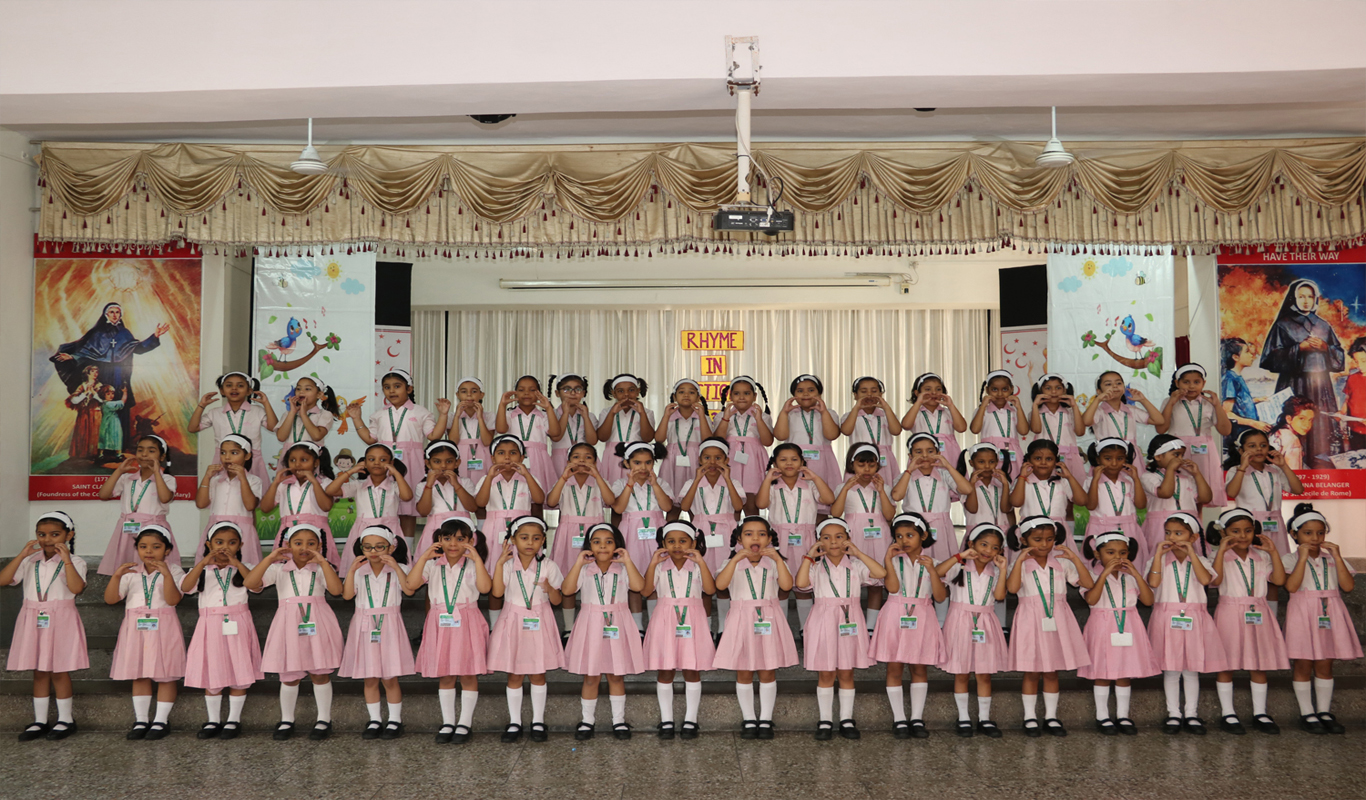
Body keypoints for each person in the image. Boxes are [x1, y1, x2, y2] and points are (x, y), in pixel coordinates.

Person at [243, 524, 344, 741]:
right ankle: (286, 720)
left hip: (318, 622)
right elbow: (250, 583)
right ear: (288, 545)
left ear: (319, 546)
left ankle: (324, 719)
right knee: (289, 676)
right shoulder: (279, 569)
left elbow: (337, 590)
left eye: (311, 543)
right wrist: (269, 559)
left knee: (320, 672)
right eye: (298, 543)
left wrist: (323, 563)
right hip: (288, 624)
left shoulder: (321, 568)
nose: (304, 547)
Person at [795, 518, 887, 740]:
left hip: (849, 619)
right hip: (823, 619)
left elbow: (880, 573)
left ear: (848, 539)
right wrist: (809, 556)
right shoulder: (816, 567)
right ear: (819, 542)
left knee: (846, 671)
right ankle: (825, 720)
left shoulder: (856, 565)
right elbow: (800, 583)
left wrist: (858, 553)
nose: (833, 542)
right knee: (826, 672)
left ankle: (846, 719)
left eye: (839, 537)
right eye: (826, 538)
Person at [1005, 517, 1094, 737]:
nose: (1044, 544)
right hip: (1030, 619)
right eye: (1037, 540)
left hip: (1057, 618)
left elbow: (1088, 583)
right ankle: (1029, 717)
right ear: (1023, 540)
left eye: (1049, 539)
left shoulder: (1062, 562)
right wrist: (1019, 560)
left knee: (1052, 671)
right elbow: (1012, 588)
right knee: (1032, 671)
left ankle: (1051, 717)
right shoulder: (1019, 564)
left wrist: (1074, 558)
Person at [2, 512, 88, 741]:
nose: (47, 539)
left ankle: (66, 720)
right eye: (41, 534)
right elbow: (3, 580)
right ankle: (40, 721)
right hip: (33, 618)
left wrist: (67, 560)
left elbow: (76, 588)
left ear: (69, 535)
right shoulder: (30, 560)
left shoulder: (76, 562)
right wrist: (22, 555)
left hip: (61, 618)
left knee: (59, 670)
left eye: (54, 534)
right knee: (39, 671)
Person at [406, 518, 492, 744]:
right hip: (440, 623)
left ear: (471, 541)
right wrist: (423, 557)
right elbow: (411, 585)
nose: (453, 544)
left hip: (467, 621)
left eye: (460, 539)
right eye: (447, 538)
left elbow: (485, 588)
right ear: (439, 540)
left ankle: (465, 723)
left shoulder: (473, 565)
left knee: (468, 673)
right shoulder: (432, 565)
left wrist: (477, 559)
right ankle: (448, 722)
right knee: (445, 674)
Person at [1206, 508, 1288, 735]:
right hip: (1230, 611)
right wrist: (1221, 551)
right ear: (1223, 532)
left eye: (1248, 530)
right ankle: (1228, 713)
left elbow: (1279, 580)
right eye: (1235, 531)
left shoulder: (1261, 556)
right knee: (1227, 664)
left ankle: (1260, 713)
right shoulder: (1216, 556)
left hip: (1258, 611)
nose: (1242, 536)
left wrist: (1274, 552)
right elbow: (1215, 581)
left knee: (1259, 664)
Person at [713, 517, 797, 740]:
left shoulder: (775, 562)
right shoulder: (731, 563)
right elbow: (720, 585)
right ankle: (749, 718)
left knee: (768, 670)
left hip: (769, 617)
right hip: (741, 618)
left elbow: (787, 586)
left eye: (761, 534)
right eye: (748, 534)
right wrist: (734, 559)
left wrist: (778, 559)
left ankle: (766, 719)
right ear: (739, 539)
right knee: (744, 670)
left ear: (769, 539)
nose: (755, 538)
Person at [1147, 512, 1230, 736]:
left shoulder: (1201, 560)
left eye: (1178, 533)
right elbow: (1153, 582)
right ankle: (1173, 714)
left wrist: (1192, 553)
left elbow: (1205, 580)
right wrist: (1158, 555)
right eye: (1168, 533)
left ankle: (1191, 714)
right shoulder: (1158, 560)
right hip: (1167, 617)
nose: (1172, 537)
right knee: (1172, 670)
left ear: (1192, 537)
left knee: (1192, 670)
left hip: (1194, 617)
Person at [562, 524, 646, 741]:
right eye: (596, 542)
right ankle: (587, 721)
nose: (602, 546)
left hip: (617, 623)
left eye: (609, 541)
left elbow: (639, 587)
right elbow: (567, 590)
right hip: (590, 623)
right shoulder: (584, 569)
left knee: (616, 675)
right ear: (589, 546)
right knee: (591, 676)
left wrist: (628, 561)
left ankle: (619, 720)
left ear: (617, 545)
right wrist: (578, 562)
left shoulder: (623, 568)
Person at [1282, 504, 1361, 735]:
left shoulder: (1332, 559)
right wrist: (1302, 558)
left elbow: (1348, 586)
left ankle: (1324, 712)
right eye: (1308, 533)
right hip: (1303, 611)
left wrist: (1337, 556)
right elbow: (1291, 586)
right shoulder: (1289, 559)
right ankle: (1307, 713)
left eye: (1320, 532)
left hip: (1330, 611)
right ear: (1294, 534)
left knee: (1326, 663)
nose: (1315, 538)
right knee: (1303, 663)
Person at [180, 523, 263, 740]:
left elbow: (256, 585)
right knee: (212, 671)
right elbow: (186, 588)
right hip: (210, 625)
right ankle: (213, 720)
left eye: (232, 543)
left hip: (238, 623)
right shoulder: (202, 570)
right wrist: (202, 563)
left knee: (239, 670)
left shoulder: (246, 568)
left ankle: (234, 720)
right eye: (219, 542)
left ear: (240, 546)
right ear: (209, 545)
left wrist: (237, 564)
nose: (225, 547)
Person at [487, 517, 564, 744]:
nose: (530, 542)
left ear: (543, 540)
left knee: (539, 673)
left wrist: (550, 589)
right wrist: (499, 564)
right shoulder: (507, 565)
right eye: (524, 537)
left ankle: (538, 721)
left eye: (536, 538)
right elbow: (497, 593)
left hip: (540, 621)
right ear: (512, 540)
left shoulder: (549, 565)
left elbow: (558, 600)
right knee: (515, 673)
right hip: (513, 620)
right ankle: (515, 722)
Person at [105, 526, 185, 741]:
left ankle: (161, 720)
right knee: (139, 672)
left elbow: (173, 600)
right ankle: (141, 720)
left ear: (167, 550)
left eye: (156, 547)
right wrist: (117, 576)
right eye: (143, 547)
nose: (149, 551)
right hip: (135, 627)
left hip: (164, 626)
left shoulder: (175, 571)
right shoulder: (131, 572)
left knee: (166, 674)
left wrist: (166, 574)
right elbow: (111, 599)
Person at [51, 301, 169, 446]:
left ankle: (120, 444)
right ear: (106, 314)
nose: (114, 315)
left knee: (120, 403)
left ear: (120, 315)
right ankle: (100, 446)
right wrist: (72, 357)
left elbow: (138, 348)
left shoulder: (125, 333)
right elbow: (86, 351)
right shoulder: (97, 333)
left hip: (120, 373)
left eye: (117, 312)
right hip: (102, 373)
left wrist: (155, 336)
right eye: (111, 312)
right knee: (102, 403)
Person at [870, 513, 946, 738]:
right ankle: (899, 719)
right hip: (895, 614)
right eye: (899, 536)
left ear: (923, 535)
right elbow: (892, 589)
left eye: (910, 535)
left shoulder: (934, 563)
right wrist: (887, 560)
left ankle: (917, 718)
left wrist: (932, 571)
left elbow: (940, 597)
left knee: (919, 667)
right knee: (894, 667)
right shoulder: (894, 561)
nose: (904, 540)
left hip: (923, 615)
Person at [349, 368, 447, 538]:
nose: (392, 391)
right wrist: (357, 418)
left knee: (408, 510)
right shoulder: (379, 414)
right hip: (385, 464)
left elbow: (433, 436)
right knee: (386, 505)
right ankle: (383, 541)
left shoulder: (420, 412)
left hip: (411, 464)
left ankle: (406, 548)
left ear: (409, 389)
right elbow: (370, 439)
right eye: (387, 387)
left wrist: (443, 415)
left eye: (397, 386)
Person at [641, 521, 716, 740]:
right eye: (671, 541)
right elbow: (646, 590)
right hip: (665, 619)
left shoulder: (697, 565)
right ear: (663, 543)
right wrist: (652, 563)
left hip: (692, 619)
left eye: (683, 541)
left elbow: (710, 589)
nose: (677, 546)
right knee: (666, 670)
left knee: (692, 669)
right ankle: (667, 720)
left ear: (693, 542)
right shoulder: (660, 566)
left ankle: (691, 719)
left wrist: (701, 562)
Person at [1079, 531, 1157, 735]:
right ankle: (1102, 716)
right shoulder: (1090, 576)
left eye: (1122, 553)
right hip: (1102, 626)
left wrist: (1137, 574)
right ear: (1098, 554)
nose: (1117, 557)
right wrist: (1104, 574)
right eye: (1110, 552)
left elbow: (1148, 600)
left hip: (1129, 624)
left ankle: (1123, 715)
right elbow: (1091, 599)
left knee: (1125, 672)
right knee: (1102, 673)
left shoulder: (1130, 577)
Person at [1259, 278, 1344, 467]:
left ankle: (1319, 462)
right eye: (1301, 296)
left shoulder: (1323, 325)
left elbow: (1339, 357)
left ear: (1315, 299)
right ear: (1294, 298)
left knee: (1320, 425)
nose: (1306, 300)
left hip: (1320, 385)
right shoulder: (1283, 324)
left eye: (1310, 296)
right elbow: (1269, 358)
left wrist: (1325, 348)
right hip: (1294, 382)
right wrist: (1299, 348)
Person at [340, 526, 415, 740]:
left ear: (391, 547)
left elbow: (409, 589)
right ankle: (374, 720)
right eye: (368, 547)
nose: (373, 551)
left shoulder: (400, 568)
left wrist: (396, 567)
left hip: (389, 624)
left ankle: (395, 720)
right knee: (370, 677)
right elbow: (347, 596)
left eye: (380, 547)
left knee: (390, 677)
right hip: (364, 625)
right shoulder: (359, 570)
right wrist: (351, 571)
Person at [936, 524, 1009, 738]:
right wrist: (959, 556)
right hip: (960, 621)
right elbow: (937, 572)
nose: (988, 551)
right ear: (971, 544)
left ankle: (984, 719)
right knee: (962, 672)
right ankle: (963, 718)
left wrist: (1004, 569)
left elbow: (1000, 596)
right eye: (983, 544)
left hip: (985, 622)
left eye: (994, 548)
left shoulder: (995, 571)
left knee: (984, 674)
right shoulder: (958, 567)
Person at [755, 442, 832, 631]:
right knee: (780, 585)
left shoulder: (810, 484)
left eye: (794, 459)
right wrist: (767, 479)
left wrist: (815, 476)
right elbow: (761, 504)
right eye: (783, 460)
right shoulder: (772, 485)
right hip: (779, 540)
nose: (789, 463)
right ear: (774, 463)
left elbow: (829, 499)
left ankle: (806, 630)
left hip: (805, 540)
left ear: (802, 462)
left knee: (804, 586)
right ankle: (781, 629)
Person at [546, 443, 615, 633]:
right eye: (576, 457)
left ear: (596, 462)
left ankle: (596, 622)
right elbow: (551, 502)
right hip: (568, 534)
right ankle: (568, 627)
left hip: (595, 535)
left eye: (588, 457)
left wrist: (597, 476)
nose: (582, 460)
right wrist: (563, 477)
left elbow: (611, 501)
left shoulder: (600, 482)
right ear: (568, 461)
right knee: (569, 577)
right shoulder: (564, 482)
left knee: (594, 577)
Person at [609, 442, 673, 629]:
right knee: (633, 574)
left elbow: (667, 506)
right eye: (637, 463)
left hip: (656, 529)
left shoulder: (660, 483)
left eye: (648, 462)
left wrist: (655, 484)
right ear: (627, 463)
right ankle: (637, 626)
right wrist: (630, 484)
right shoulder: (620, 484)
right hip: (631, 531)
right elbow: (618, 508)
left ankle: (654, 622)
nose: (643, 467)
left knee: (654, 574)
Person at [96, 435, 179, 576]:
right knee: (128, 568)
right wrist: (119, 471)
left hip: (153, 530)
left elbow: (165, 498)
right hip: (128, 529)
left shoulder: (167, 479)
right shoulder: (127, 478)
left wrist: (156, 473)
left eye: (151, 451)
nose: (144, 454)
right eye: (140, 450)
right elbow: (103, 495)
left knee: (153, 568)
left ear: (162, 456)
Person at [326, 443, 413, 572]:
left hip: (390, 530)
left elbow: (407, 496)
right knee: (361, 566)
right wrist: (350, 472)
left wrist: (395, 473)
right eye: (371, 459)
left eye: (383, 460)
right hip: (362, 530)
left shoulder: (394, 485)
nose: (377, 463)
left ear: (391, 463)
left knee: (391, 566)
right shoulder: (358, 485)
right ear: (365, 463)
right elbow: (330, 490)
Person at [890, 434, 974, 562]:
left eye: (930, 451)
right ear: (910, 456)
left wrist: (948, 466)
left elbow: (967, 489)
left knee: (942, 561)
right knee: (916, 562)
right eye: (918, 452)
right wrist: (909, 470)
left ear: (938, 453)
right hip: (914, 527)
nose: (925, 456)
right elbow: (896, 496)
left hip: (941, 526)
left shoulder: (945, 474)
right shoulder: (905, 476)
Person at [1158, 364, 1233, 506]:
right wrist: (1171, 403)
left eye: (1196, 382)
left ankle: (1198, 519)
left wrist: (1217, 405)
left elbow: (1225, 431)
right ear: (1177, 383)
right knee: (1181, 491)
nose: (1191, 386)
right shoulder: (1169, 402)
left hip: (1205, 453)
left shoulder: (1209, 403)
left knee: (1201, 491)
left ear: (1203, 383)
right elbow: (1161, 429)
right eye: (1186, 382)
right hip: (1178, 452)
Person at [190, 372, 278, 483]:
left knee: (253, 490)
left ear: (249, 391)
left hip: (250, 460)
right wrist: (201, 405)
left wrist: (266, 404)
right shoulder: (215, 413)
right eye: (229, 385)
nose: (234, 388)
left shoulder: (257, 411)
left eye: (240, 385)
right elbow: (192, 428)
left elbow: (274, 427)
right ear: (222, 390)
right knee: (223, 490)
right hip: (224, 459)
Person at [260, 442, 336, 565]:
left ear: (316, 463)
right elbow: (265, 508)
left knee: (317, 568)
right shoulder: (284, 484)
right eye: (292, 460)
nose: (297, 464)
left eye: (304, 460)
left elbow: (326, 506)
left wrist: (314, 482)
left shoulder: (324, 482)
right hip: (288, 534)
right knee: (288, 568)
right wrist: (275, 484)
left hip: (315, 533)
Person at [775, 374, 843, 510]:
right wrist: (784, 412)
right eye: (800, 391)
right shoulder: (789, 414)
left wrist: (824, 412)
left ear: (819, 393)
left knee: (821, 503)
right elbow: (780, 436)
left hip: (822, 461)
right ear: (793, 395)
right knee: (798, 502)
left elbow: (832, 435)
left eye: (811, 390)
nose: (805, 394)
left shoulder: (829, 412)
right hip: (795, 462)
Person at [1082, 371, 1166, 474]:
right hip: (1108, 457)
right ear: (1099, 391)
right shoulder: (1099, 411)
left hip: (1131, 456)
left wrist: (1143, 400)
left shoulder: (1131, 409)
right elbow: (1085, 422)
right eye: (1108, 384)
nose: (1114, 386)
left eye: (1118, 383)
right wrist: (1098, 400)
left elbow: (1159, 420)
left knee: (1134, 481)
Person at [195, 435, 263, 562]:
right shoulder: (215, 480)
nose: (227, 457)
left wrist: (242, 479)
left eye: (234, 453)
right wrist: (206, 477)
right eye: (223, 453)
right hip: (216, 530)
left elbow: (250, 506)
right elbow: (200, 503)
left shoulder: (253, 480)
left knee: (242, 564)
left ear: (247, 456)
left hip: (242, 531)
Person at [1083, 439, 1147, 569]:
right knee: (1101, 565)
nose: (1114, 463)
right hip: (1101, 528)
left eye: (1120, 459)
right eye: (1108, 458)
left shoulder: (1129, 481)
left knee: (1130, 564)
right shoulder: (1090, 481)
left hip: (1129, 528)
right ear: (1098, 459)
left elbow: (1141, 505)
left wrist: (1136, 479)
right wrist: (1095, 479)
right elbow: (1091, 505)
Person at [495, 375, 561, 499]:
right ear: (515, 393)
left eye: (532, 390)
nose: (526, 393)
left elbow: (555, 432)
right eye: (521, 390)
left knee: (537, 494)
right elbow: (501, 429)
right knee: (517, 492)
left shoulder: (543, 415)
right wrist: (502, 405)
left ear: (539, 393)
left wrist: (548, 408)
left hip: (539, 458)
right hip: (515, 456)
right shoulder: (509, 413)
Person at [715, 376, 774, 514]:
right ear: (730, 396)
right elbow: (718, 440)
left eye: (746, 393)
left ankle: (752, 524)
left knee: (751, 502)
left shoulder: (763, 416)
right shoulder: (722, 415)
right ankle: (732, 527)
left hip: (753, 459)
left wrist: (759, 419)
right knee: (730, 500)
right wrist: (726, 418)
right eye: (736, 393)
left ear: (754, 396)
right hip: (730, 458)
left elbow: (768, 442)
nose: (741, 397)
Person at [1009, 440, 1085, 541]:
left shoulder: (1062, 481)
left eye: (1049, 459)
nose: (1043, 463)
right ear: (1028, 460)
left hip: (1057, 532)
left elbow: (1082, 501)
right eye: (1038, 458)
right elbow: (1016, 503)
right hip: (1031, 531)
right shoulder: (1022, 480)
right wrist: (1022, 477)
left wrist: (1070, 477)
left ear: (1056, 461)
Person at [413, 440, 479, 553]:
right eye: (437, 461)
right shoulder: (423, 486)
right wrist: (429, 485)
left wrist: (456, 485)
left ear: (457, 463)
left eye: (449, 461)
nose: (443, 466)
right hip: (435, 531)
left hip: (462, 531)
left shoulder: (465, 482)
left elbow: (472, 507)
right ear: (428, 463)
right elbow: (423, 512)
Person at [656, 378, 712, 502]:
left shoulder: (703, 417)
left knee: (695, 500)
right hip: (672, 459)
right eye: (681, 392)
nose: (686, 395)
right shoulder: (669, 417)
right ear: (674, 397)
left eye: (691, 392)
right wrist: (666, 415)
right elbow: (659, 439)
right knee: (672, 499)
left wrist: (701, 415)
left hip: (696, 458)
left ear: (698, 398)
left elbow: (707, 440)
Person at [840, 376, 902, 484]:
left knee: (885, 487)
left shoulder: (886, 414)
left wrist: (886, 407)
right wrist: (856, 408)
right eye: (864, 391)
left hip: (884, 459)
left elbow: (896, 431)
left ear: (880, 394)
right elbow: (846, 431)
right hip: (860, 458)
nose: (869, 394)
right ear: (855, 395)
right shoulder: (850, 415)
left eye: (874, 391)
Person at [596, 374, 655, 485]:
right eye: (620, 391)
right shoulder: (606, 412)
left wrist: (642, 413)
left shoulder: (647, 412)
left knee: (637, 486)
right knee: (612, 486)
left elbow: (648, 438)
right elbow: (602, 437)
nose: (626, 394)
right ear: (614, 393)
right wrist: (612, 413)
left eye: (631, 390)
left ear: (638, 391)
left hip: (637, 455)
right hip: (613, 455)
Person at [902, 372, 968, 469]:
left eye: (938, 389)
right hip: (924, 455)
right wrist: (918, 402)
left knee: (950, 476)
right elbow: (905, 425)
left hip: (949, 454)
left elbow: (962, 428)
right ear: (917, 393)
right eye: (928, 389)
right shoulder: (916, 413)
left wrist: (951, 405)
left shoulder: (948, 412)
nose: (933, 393)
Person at [1027, 373, 1086, 477]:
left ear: (1065, 390)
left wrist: (1074, 406)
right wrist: (1035, 405)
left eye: (1058, 388)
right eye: (1048, 388)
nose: (1053, 392)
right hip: (1045, 458)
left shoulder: (1071, 412)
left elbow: (1080, 432)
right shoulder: (1036, 412)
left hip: (1069, 457)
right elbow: (1036, 430)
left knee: (1074, 485)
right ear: (1040, 390)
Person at [1220, 338, 1269, 460]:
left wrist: (1256, 400)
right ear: (1235, 357)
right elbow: (1226, 413)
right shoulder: (1230, 379)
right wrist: (1254, 423)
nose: (1252, 355)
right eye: (1247, 352)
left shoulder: (1237, 377)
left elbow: (1239, 402)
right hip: (1239, 436)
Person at [970, 370, 1030, 466]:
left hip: (1012, 452)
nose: (999, 394)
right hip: (989, 453)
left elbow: (1024, 431)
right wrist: (983, 406)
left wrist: (1019, 407)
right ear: (987, 390)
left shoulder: (1014, 410)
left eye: (1004, 389)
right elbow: (975, 429)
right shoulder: (982, 410)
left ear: (1011, 389)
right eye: (994, 389)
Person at [549, 373, 598, 477]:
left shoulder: (589, 416)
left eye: (578, 389)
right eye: (566, 389)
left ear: (583, 393)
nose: (572, 393)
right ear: (557, 393)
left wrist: (585, 417)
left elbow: (592, 441)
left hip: (584, 460)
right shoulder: (552, 415)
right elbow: (556, 437)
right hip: (559, 460)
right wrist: (565, 413)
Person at [449, 376, 495, 486]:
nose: (469, 395)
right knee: (462, 485)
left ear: (481, 394)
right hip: (460, 454)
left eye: (474, 391)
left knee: (483, 485)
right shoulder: (451, 416)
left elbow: (487, 441)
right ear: (457, 395)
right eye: (464, 391)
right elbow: (453, 441)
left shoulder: (489, 416)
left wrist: (480, 418)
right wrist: (457, 416)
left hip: (483, 454)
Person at [275, 376, 339, 448]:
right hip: (289, 454)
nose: (301, 391)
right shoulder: (288, 414)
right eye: (298, 389)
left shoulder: (324, 414)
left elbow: (317, 436)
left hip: (311, 454)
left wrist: (303, 415)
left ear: (319, 394)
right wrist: (292, 412)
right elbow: (281, 437)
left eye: (307, 389)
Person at [65, 365, 101, 460]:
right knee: (82, 433)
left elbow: (102, 400)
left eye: (97, 372)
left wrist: (93, 393)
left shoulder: (100, 386)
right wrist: (85, 393)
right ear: (87, 373)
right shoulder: (82, 386)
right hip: (84, 413)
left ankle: (94, 455)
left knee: (95, 433)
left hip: (95, 413)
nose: (95, 374)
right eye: (92, 371)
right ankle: (81, 455)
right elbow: (73, 400)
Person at [1337, 337, 1366, 451]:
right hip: (1355, 430)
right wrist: (1341, 413)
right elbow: (1348, 399)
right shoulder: (1352, 378)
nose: (1359, 366)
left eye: (1364, 361)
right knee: (1355, 456)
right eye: (1356, 361)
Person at [98, 384, 128, 461]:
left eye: (112, 393)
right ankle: (118, 454)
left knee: (105, 438)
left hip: (106, 422)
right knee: (116, 436)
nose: (111, 396)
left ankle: (101, 454)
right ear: (103, 395)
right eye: (108, 394)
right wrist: (125, 392)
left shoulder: (103, 403)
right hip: (113, 423)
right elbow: (122, 402)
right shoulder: (108, 404)